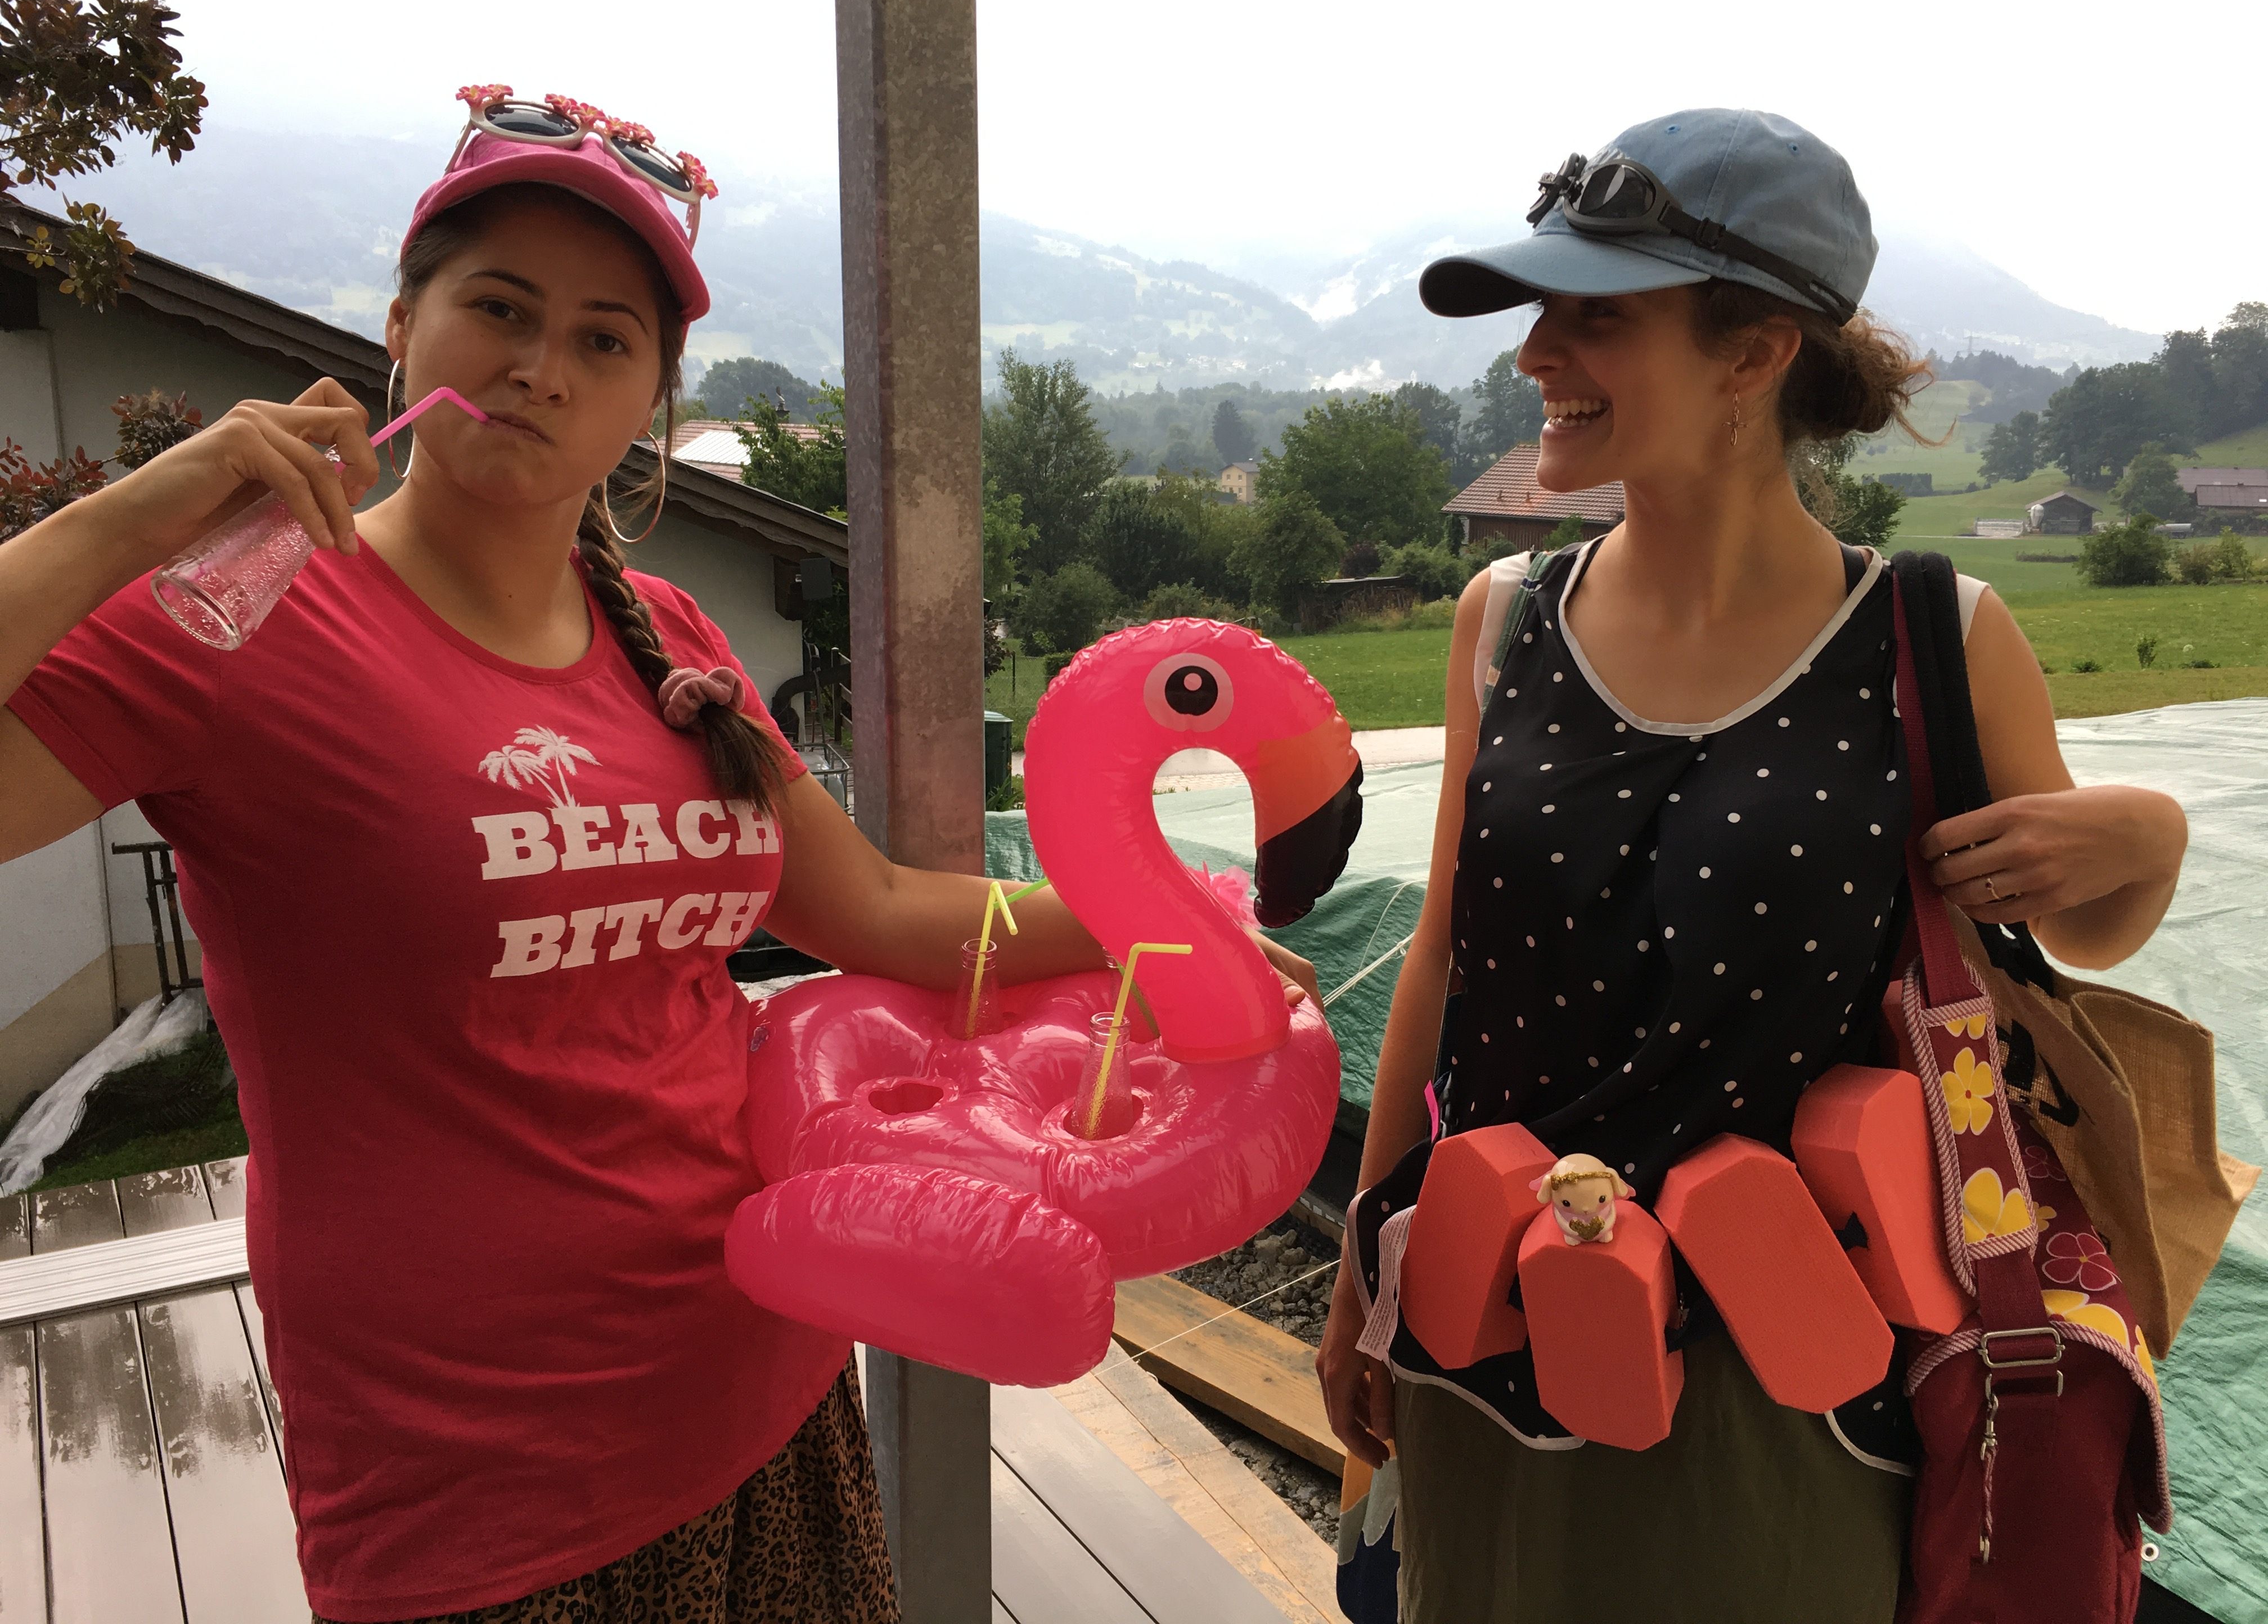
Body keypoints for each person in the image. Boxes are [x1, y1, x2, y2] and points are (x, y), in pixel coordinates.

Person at [0, 88, 1315, 1624]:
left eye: (606, 341)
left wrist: (1146, 927)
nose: (540, 367)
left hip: (762, 1385)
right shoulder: (248, 614)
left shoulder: (670, 639)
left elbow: (879, 909)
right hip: (480, 1482)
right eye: (498, 308)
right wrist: (132, 518)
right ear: (402, 327)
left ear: (648, 406)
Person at [1314, 109, 2189, 1622]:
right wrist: (1364, 1253)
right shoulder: (1502, 620)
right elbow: (1448, 957)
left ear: (1755, 351)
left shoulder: (1935, 636)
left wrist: (2148, 837)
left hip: (1791, 1398)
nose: (1536, 355)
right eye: (1539, 312)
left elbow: (2083, 941)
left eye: (1597, 315)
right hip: (1482, 1326)